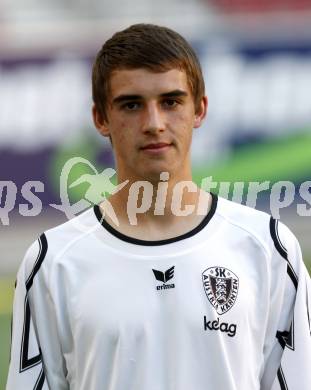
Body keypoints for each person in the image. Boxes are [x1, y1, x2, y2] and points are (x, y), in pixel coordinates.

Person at [6, 23, 311, 390]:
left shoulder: (268, 249)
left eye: (171, 101)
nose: (154, 124)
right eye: (132, 105)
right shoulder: (54, 262)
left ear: (199, 109)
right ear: (100, 118)